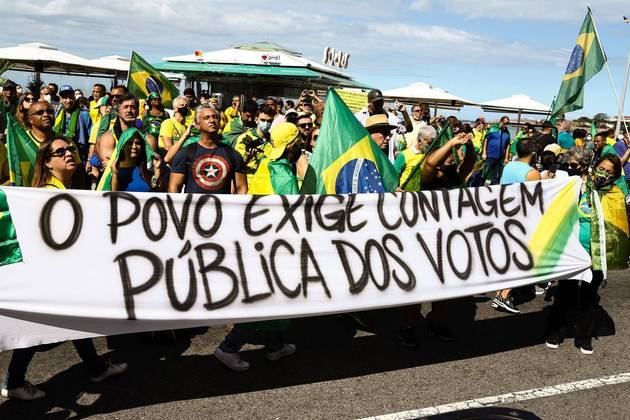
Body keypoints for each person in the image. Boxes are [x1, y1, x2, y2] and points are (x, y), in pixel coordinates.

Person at [0, 136, 127, 401]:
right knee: (42, 330)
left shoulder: (65, 190)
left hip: (63, 273)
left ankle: (95, 368)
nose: (69, 153)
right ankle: (13, 381)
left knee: (73, 322)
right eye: (60, 152)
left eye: (70, 149)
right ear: (47, 163)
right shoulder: (48, 194)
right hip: (50, 276)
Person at [214, 123, 301, 372]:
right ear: (292, 145)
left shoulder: (265, 164)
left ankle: (275, 347)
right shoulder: (283, 175)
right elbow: (292, 218)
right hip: (275, 246)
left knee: (276, 303)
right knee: (268, 303)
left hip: (257, 240)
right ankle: (228, 348)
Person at [546, 152, 629, 354]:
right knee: (565, 293)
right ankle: (557, 331)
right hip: (572, 253)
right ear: (594, 167)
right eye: (601, 168)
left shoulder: (615, 195)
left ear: (615, 175)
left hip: (596, 256)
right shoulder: (578, 186)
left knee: (588, 297)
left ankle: (584, 336)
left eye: (609, 172)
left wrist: (600, 255)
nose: (603, 174)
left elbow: (616, 230)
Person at [491, 139, 541, 314]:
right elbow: (536, 200)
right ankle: (504, 295)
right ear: (533, 154)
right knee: (521, 258)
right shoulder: (532, 173)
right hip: (521, 218)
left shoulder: (509, 166)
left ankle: (500, 293)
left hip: (505, 213)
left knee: (509, 256)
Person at [168, 104, 247, 194]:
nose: (212, 120)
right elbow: (174, 187)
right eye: (206, 118)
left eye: (215, 117)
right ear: (197, 125)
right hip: (193, 207)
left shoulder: (233, 154)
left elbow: (241, 188)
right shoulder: (185, 153)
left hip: (222, 208)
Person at [234, 105, 275, 185]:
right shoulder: (244, 138)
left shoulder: (274, 140)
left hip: (267, 182)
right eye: (263, 120)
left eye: (269, 121)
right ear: (256, 120)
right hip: (249, 182)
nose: (266, 123)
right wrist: (248, 158)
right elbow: (237, 166)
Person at [54, 85, 92, 161]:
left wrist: (89, 159)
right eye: (65, 98)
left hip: (80, 153)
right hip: (60, 153)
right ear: (60, 99)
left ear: (74, 98)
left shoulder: (84, 115)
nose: (68, 100)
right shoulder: (57, 115)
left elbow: (91, 139)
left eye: (71, 97)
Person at [394, 125, 436, 192]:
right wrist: (395, 188)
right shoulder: (403, 155)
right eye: (429, 143)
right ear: (419, 141)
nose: (431, 146)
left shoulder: (430, 155)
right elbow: (394, 175)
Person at [481, 116, 511, 185]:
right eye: (505, 123)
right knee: (485, 173)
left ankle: (493, 189)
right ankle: (480, 186)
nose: (506, 125)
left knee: (497, 175)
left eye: (507, 124)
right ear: (501, 121)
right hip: (489, 155)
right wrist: (484, 153)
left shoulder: (507, 132)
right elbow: (485, 141)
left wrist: (506, 157)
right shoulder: (492, 129)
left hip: (500, 157)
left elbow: (508, 145)